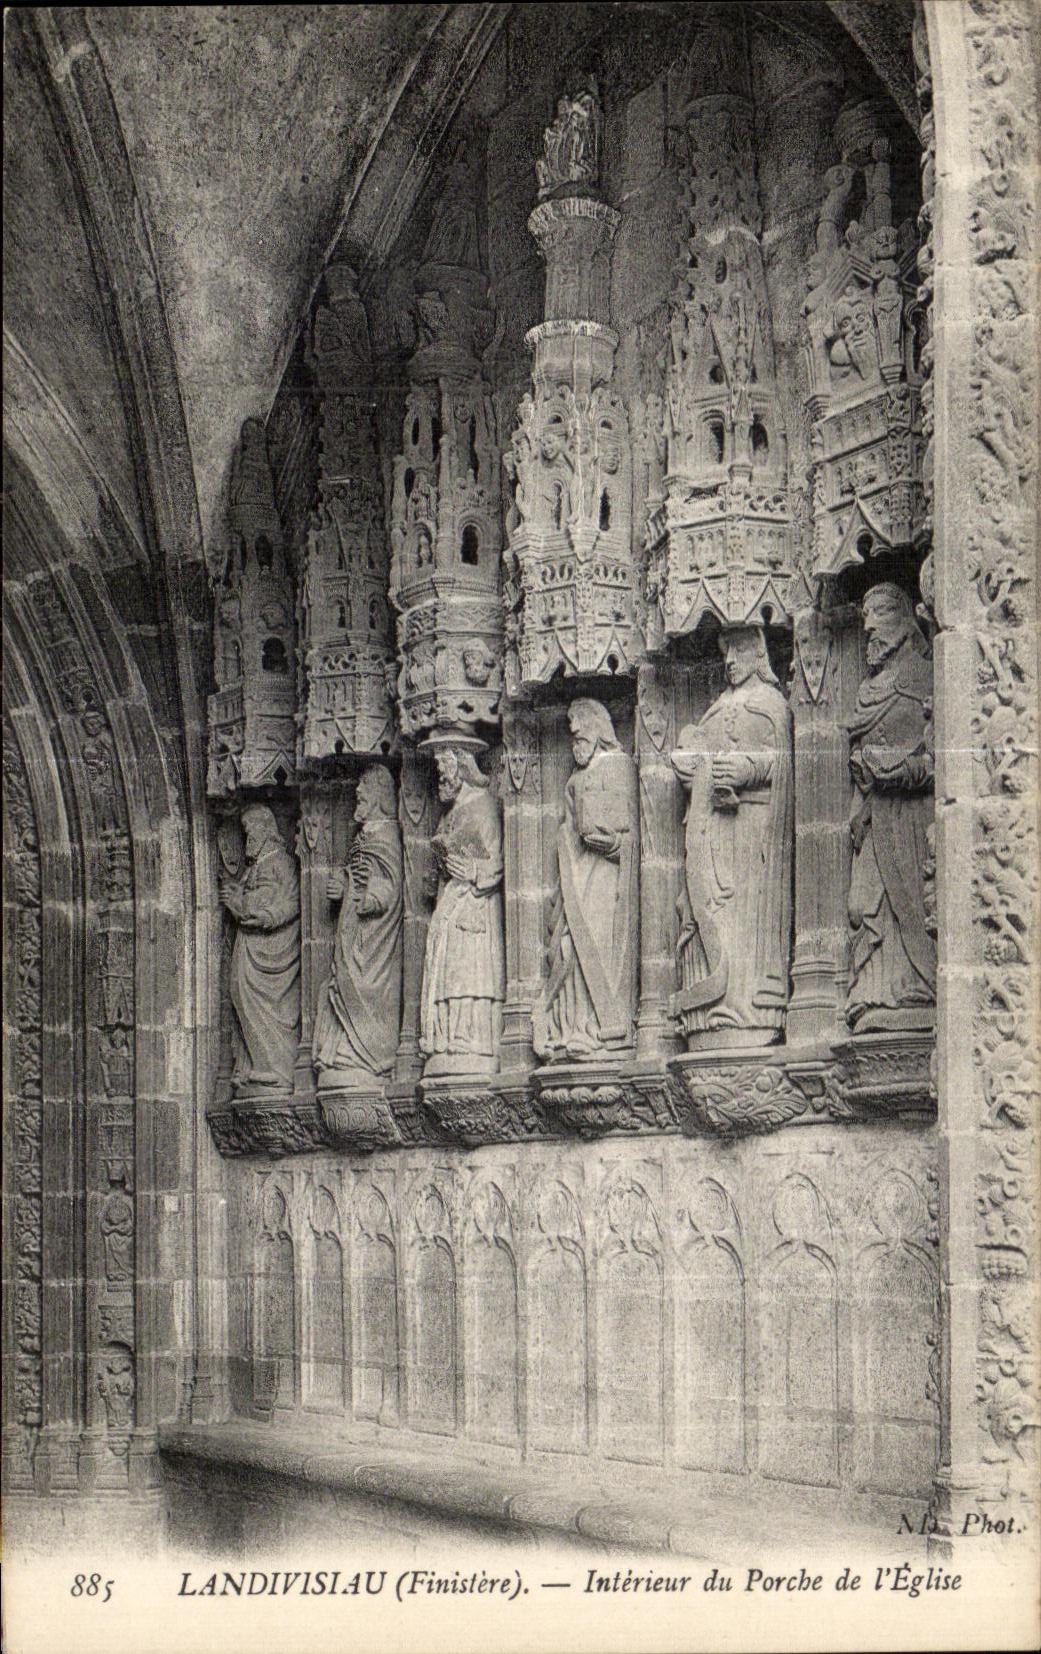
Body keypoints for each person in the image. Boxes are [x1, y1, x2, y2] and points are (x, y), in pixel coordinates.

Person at [670, 627, 792, 1048]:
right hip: (711, 830)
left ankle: (747, 1006)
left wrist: (748, 770)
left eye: (739, 650)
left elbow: (787, 765)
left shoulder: (772, 705)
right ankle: (705, 1008)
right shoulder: (715, 709)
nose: (730, 661)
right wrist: (691, 769)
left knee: (744, 916)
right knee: (708, 911)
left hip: (752, 829)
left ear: (759, 652)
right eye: (725, 652)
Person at [846, 583, 935, 1031]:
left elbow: (940, 761)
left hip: (912, 819)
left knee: (910, 900)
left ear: (904, 618)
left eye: (880, 612)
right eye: (865, 615)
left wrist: (898, 769)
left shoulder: (925, 677)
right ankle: (872, 993)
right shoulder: (866, 690)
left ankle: (915, 988)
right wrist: (864, 774)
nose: (869, 625)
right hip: (875, 819)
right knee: (864, 907)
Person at [536, 699, 637, 1061]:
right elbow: (566, 827)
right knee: (568, 945)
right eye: (572, 738)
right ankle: (574, 1025)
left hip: (606, 874)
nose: (575, 740)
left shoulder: (622, 767)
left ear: (599, 730)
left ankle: (600, 1027)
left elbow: (637, 833)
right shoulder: (574, 781)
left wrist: (615, 844)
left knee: (599, 941)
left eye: (581, 734)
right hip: (577, 874)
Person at [313, 767, 403, 1090]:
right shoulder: (363, 837)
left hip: (374, 938)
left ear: (379, 795)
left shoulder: (387, 835)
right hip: (353, 932)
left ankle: (367, 1055)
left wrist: (365, 895)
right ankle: (346, 1051)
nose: (358, 794)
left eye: (364, 789)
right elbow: (360, 875)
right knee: (340, 981)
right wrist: (345, 882)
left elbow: (389, 886)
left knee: (365, 984)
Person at [419, 747, 505, 1077]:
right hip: (453, 898)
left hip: (476, 903)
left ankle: (472, 1039)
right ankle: (446, 1038)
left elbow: (496, 861)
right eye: (438, 767)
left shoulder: (482, 805)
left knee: (469, 971)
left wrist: (471, 871)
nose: (441, 774)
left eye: (446, 767)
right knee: (449, 968)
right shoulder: (451, 812)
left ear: (462, 767)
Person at [220, 804, 300, 1091]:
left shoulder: (281, 862)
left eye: (250, 830)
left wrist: (250, 908)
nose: (247, 838)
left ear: (266, 829)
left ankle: (275, 1067)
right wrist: (238, 899)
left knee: (259, 1000)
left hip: (272, 947)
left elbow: (290, 902)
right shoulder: (255, 868)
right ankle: (256, 1064)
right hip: (251, 945)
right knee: (238, 992)